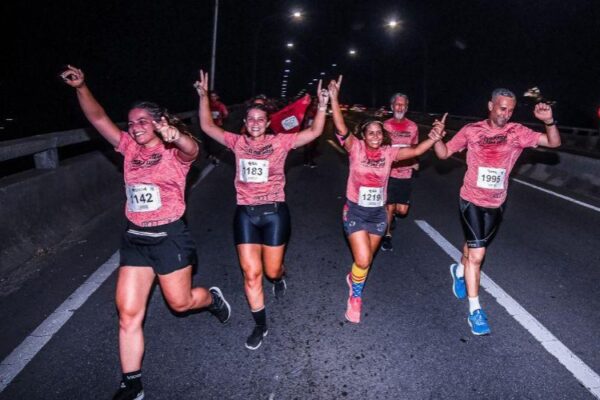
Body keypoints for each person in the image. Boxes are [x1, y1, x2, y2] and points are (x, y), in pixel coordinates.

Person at [61, 65, 231, 400]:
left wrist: (175, 136)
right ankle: (132, 383)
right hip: (136, 239)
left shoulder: (173, 151)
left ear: (158, 122)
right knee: (127, 314)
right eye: (131, 122)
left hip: (169, 238)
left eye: (142, 121)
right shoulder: (128, 147)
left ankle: (211, 299)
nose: (135, 127)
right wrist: (81, 87)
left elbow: (192, 149)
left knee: (180, 304)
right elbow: (98, 119)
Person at [195, 69, 330, 349]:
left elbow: (314, 132)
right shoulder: (237, 142)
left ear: (268, 122)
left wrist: (323, 106)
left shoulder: (280, 142)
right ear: (245, 123)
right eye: (251, 119)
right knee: (251, 274)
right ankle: (260, 325)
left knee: (272, 271)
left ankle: (280, 277)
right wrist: (204, 97)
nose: (256, 123)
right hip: (245, 213)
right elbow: (207, 127)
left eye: (260, 119)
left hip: (274, 214)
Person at [433, 88, 560, 336]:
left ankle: (458, 270)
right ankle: (475, 311)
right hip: (471, 199)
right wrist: (437, 138)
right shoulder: (472, 130)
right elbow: (444, 153)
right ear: (491, 106)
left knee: (475, 245)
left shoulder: (517, 132)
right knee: (478, 254)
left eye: (511, 110)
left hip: (496, 203)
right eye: (502, 108)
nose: (506, 114)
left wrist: (549, 121)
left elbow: (553, 142)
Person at [328, 76, 445, 323]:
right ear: (363, 135)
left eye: (379, 132)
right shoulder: (355, 148)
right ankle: (355, 297)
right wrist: (334, 98)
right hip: (356, 211)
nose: (375, 136)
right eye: (370, 132)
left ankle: (353, 278)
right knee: (362, 260)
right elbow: (341, 127)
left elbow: (415, 150)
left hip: (378, 214)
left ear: (383, 135)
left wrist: (434, 138)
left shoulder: (390, 153)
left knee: (366, 261)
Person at [380, 93, 420, 251]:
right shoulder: (385, 126)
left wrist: (415, 161)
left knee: (402, 210)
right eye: (397, 104)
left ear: (407, 107)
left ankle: (393, 216)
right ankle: (387, 235)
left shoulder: (413, 127)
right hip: (389, 173)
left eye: (403, 105)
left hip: (406, 173)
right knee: (389, 206)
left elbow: (415, 148)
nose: (400, 107)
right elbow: (380, 148)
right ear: (392, 107)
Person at [201, 91, 229, 164]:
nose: (213, 98)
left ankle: (217, 157)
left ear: (217, 97)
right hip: (209, 125)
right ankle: (210, 154)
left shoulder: (221, 105)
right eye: (211, 96)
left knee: (216, 143)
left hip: (218, 126)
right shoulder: (208, 105)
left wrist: (221, 117)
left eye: (214, 96)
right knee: (208, 141)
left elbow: (226, 114)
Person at [302, 96, 319, 168]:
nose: (316, 103)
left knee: (312, 146)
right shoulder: (310, 109)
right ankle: (309, 161)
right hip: (309, 130)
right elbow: (307, 120)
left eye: (317, 101)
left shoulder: (316, 109)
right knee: (309, 146)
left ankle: (307, 161)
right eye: (315, 101)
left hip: (314, 130)